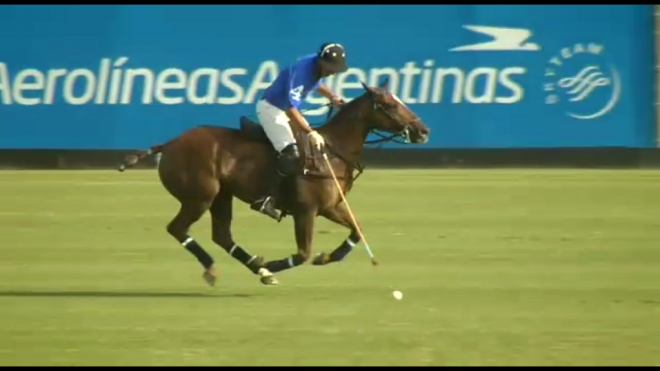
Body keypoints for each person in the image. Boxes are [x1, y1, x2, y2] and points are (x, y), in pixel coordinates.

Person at [250, 42, 348, 220]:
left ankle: (297, 195)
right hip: (272, 109)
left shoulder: (317, 67)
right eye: (331, 68)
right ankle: (265, 198)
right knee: (292, 153)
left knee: (309, 152)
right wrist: (309, 131)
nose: (333, 71)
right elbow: (290, 108)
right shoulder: (301, 71)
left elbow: (318, 84)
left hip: (285, 110)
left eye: (335, 68)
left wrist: (332, 97)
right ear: (321, 61)